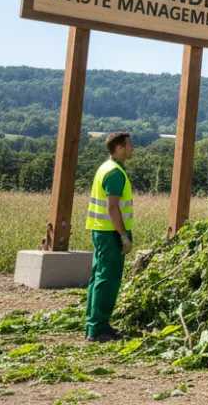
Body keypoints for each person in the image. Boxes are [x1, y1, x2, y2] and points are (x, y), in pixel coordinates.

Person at [85, 130, 135, 342]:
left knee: (98, 278)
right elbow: (113, 207)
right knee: (107, 279)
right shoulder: (114, 172)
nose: (133, 148)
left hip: (102, 231)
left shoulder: (106, 168)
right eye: (130, 144)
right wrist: (123, 235)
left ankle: (94, 325)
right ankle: (98, 330)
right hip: (110, 233)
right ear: (120, 147)